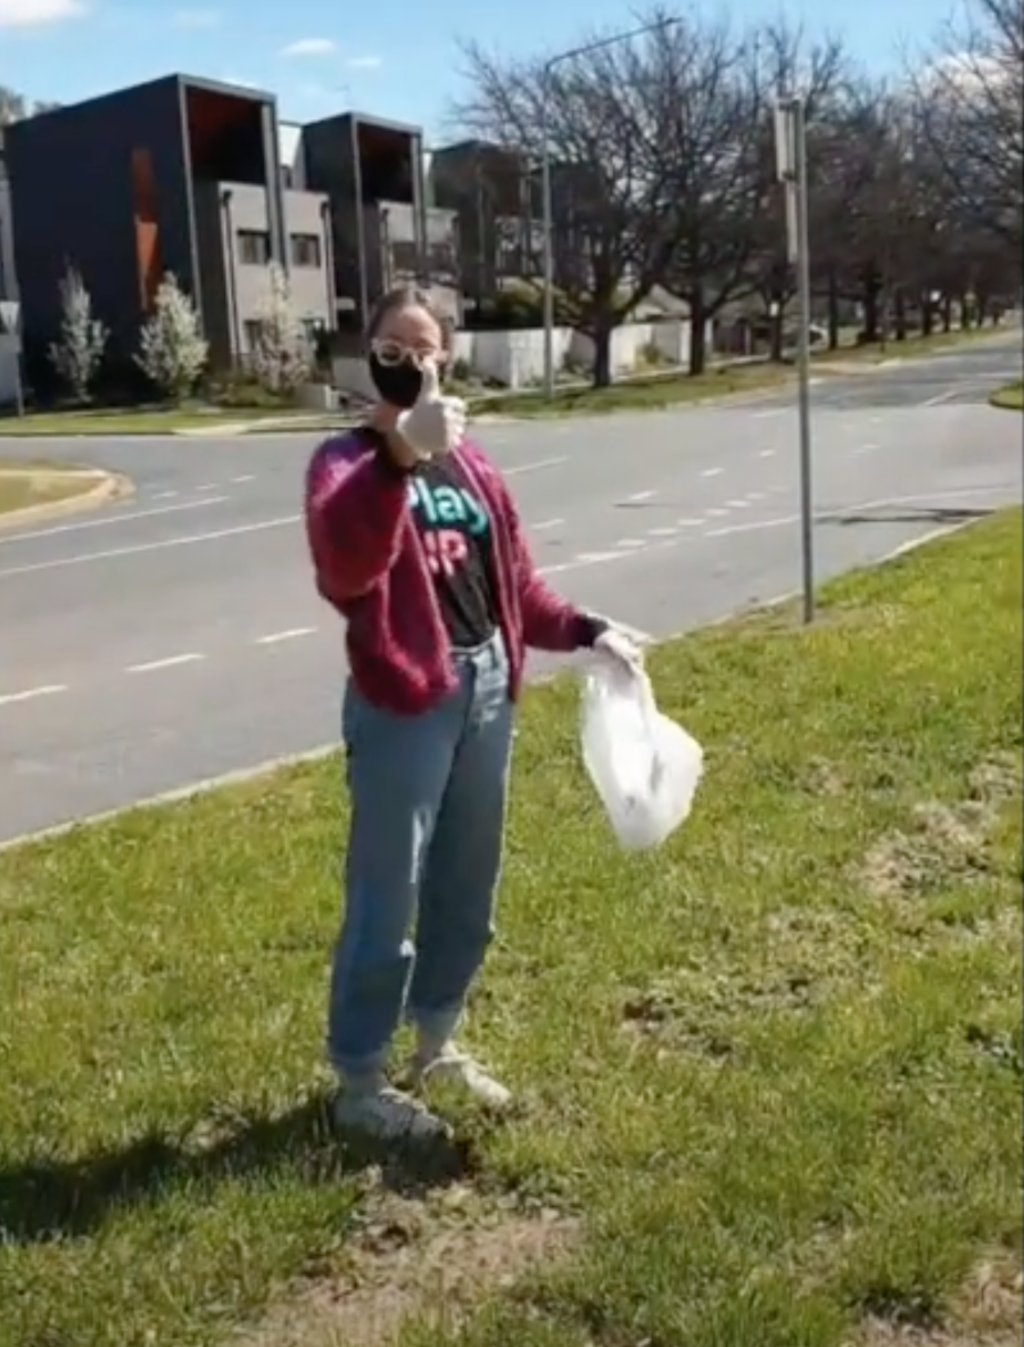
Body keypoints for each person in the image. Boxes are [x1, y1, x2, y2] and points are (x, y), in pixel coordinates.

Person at [304, 286, 643, 1141]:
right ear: (368, 354)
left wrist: (586, 629)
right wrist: (395, 461)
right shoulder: (345, 462)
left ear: (446, 361)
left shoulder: (473, 463)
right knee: (388, 890)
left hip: (488, 685)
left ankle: (437, 1041)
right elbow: (345, 570)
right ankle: (359, 1079)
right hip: (405, 700)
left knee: (467, 880)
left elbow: (517, 585)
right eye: (395, 346)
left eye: (427, 351)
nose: (412, 363)